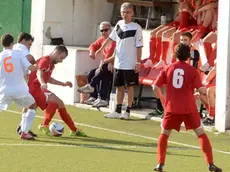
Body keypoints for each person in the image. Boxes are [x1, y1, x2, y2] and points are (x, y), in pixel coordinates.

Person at [152, 43, 221, 172]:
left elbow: (155, 87)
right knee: (200, 133)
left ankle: (160, 164)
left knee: (164, 134)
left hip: (172, 108)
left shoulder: (168, 68)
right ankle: (210, 164)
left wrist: (163, 100)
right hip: (189, 108)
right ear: (188, 56)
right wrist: (201, 92)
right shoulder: (192, 70)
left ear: (174, 54)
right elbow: (202, 90)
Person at [18, 45, 87, 137]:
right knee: (54, 102)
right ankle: (42, 126)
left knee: (34, 107)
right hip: (35, 88)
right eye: (61, 57)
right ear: (56, 53)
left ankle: (24, 129)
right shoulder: (45, 60)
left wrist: (63, 84)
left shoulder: (51, 64)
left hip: (36, 88)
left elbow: (48, 79)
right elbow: (39, 72)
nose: (61, 60)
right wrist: (42, 83)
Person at [96, 2, 143, 119]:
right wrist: (100, 49)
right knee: (119, 87)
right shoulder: (119, 24)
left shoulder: (136, 28)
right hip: (118, 62)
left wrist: (138, 62)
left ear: (132, 13)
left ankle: (127, 111)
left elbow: (139, 46)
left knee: (130, 87)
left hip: (130, 63)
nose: (125, 14)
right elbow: (111, 39)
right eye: (123, 12)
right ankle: (117, 110)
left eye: (127, 12)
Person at [0, 33, 37, 140]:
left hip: (4, 90)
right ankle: (24, 132)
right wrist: (38, 66)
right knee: (32, 105)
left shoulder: (0, 56)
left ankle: (24, 131)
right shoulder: (18, 54)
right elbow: (31, 67)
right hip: (20, 89)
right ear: (12, 43)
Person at [77, 21, 116, 107]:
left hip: (115, 66)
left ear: (110, 30)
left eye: (106, 30)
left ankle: (101, 97)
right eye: (102, 31)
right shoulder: (103, 39)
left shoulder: (115, 40)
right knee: (92, 72)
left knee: (104, 72)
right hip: (106, 65)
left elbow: (116, 55)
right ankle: (93, 97)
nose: (103, 32)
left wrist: (110, 62)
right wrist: (92, 52)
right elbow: (93, 45)